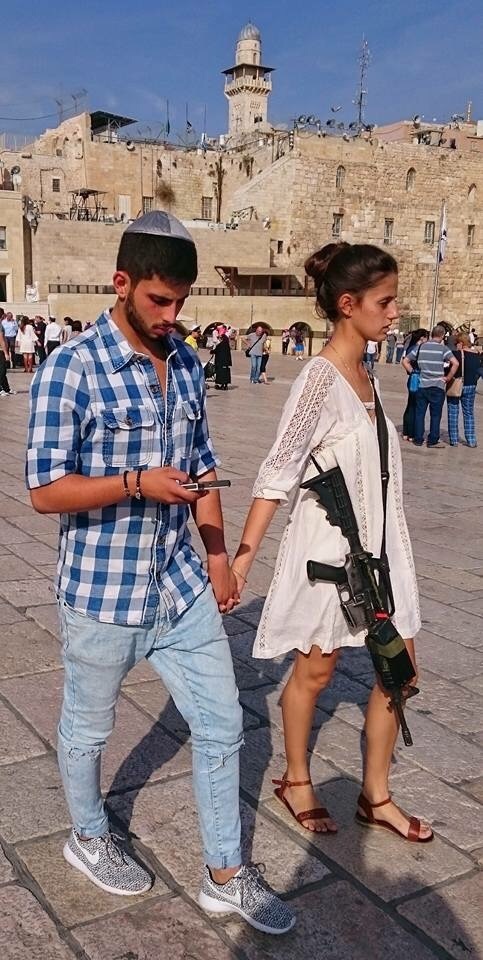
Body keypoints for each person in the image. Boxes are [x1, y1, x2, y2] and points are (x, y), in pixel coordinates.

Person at [26, 210, 294, 935]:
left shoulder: (183, 366)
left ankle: (224, 875)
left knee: (219, 725)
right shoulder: (70, 367)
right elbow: (45, 489)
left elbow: (203, 469)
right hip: (102, 593)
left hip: (179, 588)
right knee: (87, 729)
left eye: (181, 303)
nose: (173, 318)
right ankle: (87, 834)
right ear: (122, 284)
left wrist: (215, 555)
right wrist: (137, 481)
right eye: (158, 302)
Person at [231, 242, 433, 844]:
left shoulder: (365, 371)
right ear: (349, 304)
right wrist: (243, 557)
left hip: (383, 553)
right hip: (331, 556)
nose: (395, 312)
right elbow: (278, 471)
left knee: (401, 672)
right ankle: (296, 779)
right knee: (315, 672)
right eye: (386, 301)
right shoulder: (319, 380)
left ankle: (377, 796)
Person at [403, 324, 458, 448]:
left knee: (419, 413)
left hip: (422, 385)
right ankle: (432, 440)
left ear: (432, 334)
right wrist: (448, 378)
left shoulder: (421, 347)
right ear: (443, 335)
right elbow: (456, 363)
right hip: (437, 386)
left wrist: (414, 372)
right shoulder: (443, 349)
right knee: (435, 415)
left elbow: (405, 361)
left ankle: (418, 439)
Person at [446, 333, 480, 447]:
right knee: (469, 413)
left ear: (461, 343)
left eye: (456, 343)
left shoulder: (455, 354)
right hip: (471, 386)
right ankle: (471, 440)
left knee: (453, 412)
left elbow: (448, 369)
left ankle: (454, 440)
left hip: (456, 385)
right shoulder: (477, 355)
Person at [401, 329, 429, 441]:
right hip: (416, 379)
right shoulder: (417, 349)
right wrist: (414, 372)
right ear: (422, 338)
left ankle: (406, 432)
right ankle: (412, 433)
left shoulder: (411, 347)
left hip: (412, 379)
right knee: (415, 406)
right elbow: (405, 362)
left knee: (410, 405)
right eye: (427, 337)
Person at [212, 324, 232, 390]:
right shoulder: (226, 342)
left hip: (220, 361)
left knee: (221, 373)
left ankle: (221, 385)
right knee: (225, 372)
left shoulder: (221, 342)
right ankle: (225, 385)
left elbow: (216, 349)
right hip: (226, 361)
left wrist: (212, 351)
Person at [0, 324, 15, 396]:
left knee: (3, 371)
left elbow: (4, 338)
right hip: (0, 350)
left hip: (1, 350)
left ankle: (6, 388)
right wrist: (6, 353)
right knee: (2, 370)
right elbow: (1, 339)